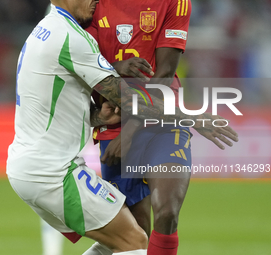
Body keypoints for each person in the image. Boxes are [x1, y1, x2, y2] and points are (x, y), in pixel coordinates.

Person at [86, 1, 239, 255]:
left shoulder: (176, 2)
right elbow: (87, 68)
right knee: (136, 233)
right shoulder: (93, 4)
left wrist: (132, 129)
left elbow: (165, 73)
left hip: (162, 118)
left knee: (167, 212)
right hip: (114, 118)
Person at [6, 0, 150, 254]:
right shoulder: (69, 36)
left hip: (32, 165)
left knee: (118, 240)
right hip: (52, 171)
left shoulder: (44, 30)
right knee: (134, 241)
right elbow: (122, 96)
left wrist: (98, 118)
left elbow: (52, 103)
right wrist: (188, 116)